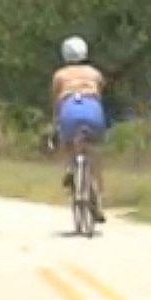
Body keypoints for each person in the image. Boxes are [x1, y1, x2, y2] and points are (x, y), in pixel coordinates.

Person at [51, 36, 107, 222]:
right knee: (94, 150)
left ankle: (69, 167)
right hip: (92, 109)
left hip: (69, 109)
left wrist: (55, 124)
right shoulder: (94, 73)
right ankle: (97, 199)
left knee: (66, 139)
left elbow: (56, 99)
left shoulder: (59, 75)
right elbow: (100, 91)